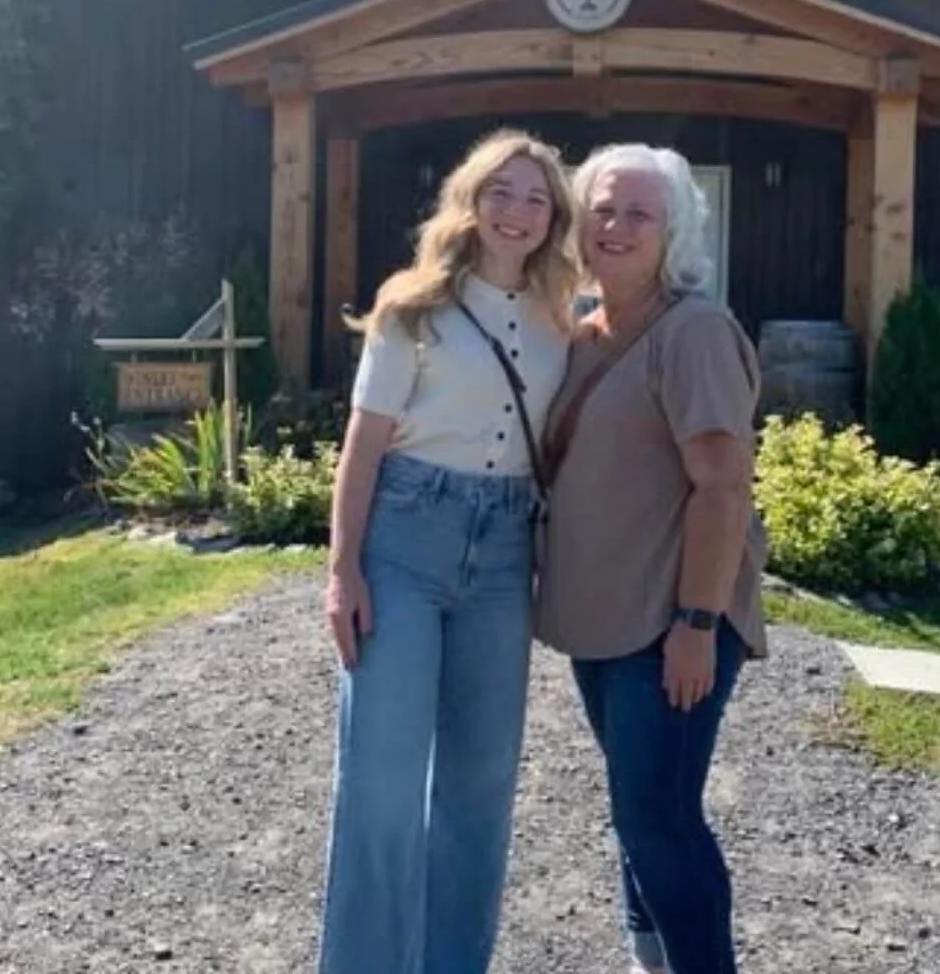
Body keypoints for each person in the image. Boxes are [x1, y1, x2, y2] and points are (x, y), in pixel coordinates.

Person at [318, 128, 577, 974]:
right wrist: (342, 572)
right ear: (470, 200)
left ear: (553, 220)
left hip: (503, 553)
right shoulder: (413, 306)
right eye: (502, 192)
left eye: (536, 199)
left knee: (480, 783)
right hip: (405, 538)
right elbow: (363, 446)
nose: (517, 212)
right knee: (382, 783)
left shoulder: (562, 320)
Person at [536, 142, 768, 974]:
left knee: (660, 820)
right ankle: (651, 959)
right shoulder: (584, 333)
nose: (616, 225)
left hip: (669, 624)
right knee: (637, 811)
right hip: (605, 621)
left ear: (675, 233)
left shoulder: (693, 332)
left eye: (640, 213)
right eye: (602, 208)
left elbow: (723, 487)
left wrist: (697, 624)